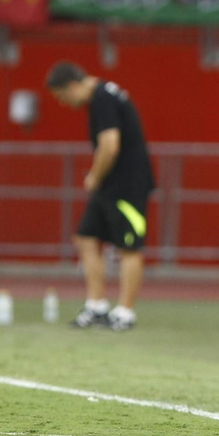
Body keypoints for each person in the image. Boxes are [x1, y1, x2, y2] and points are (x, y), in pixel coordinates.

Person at [45, 61, 157, 333]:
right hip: (111, 185)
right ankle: (97, 305)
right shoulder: (104, 94)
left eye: (62, 96)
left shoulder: (103, 98)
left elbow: (109, 145)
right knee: (85, 236)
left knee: (129, 247)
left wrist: (94, 175)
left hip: (128, 184)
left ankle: (125, 312)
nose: (63, 103)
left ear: (72, 86)